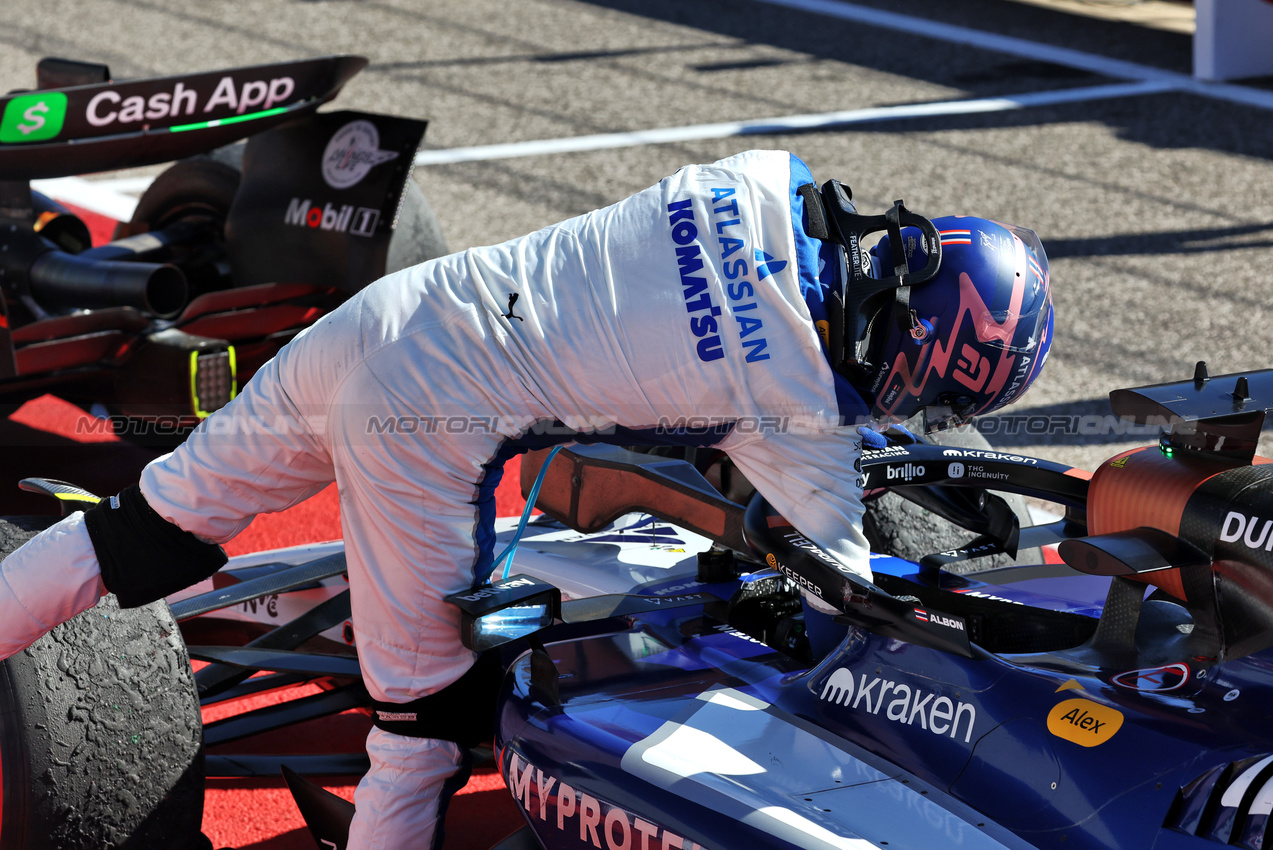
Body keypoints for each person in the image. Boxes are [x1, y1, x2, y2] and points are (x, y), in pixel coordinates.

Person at [0, 149, 1053, 849]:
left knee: (143, 531)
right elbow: (841, 587)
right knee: (424, 726)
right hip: (425, 423)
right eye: (934, 385)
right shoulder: (792, 408)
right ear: (916, 340)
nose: (911, 404)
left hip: (390, 313)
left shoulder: (760, 177)